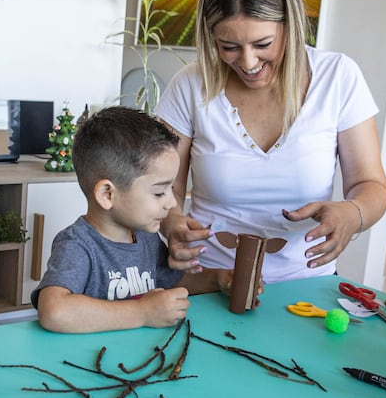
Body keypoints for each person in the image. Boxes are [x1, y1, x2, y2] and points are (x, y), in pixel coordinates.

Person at [155, 0, 386, 283]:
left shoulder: (338, 77)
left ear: (290, 26)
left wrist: (353, 212)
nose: (248, 63)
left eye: (263, 44)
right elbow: (166, 188)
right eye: (229, 47)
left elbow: (371, 185)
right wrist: (171, 221)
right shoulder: (190, 86)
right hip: (209, 281)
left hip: (306, 285)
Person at [31, 106, 241, 334]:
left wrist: (218, 279)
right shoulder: (78, 245)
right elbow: (54, 312)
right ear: (107, 195)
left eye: (171, 189)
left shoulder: (146, 238)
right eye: (159, 192)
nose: (171, 203)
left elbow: (174, 284)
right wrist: (142, 313)